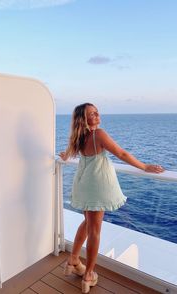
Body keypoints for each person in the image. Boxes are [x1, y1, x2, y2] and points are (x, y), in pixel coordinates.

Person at [59, 102, 164, 293]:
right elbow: (121, 153)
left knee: (88, 222)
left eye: (97, 112)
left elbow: (68, 154)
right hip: (96, 186)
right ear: (85, 119)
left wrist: (64, 156)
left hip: (83, 183)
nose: (98, 115)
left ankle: (73, 259)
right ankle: (89, 275)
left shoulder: (78, 137)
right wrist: (144, 167)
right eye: (93, 113)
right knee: (95, 230)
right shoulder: (98, 134)